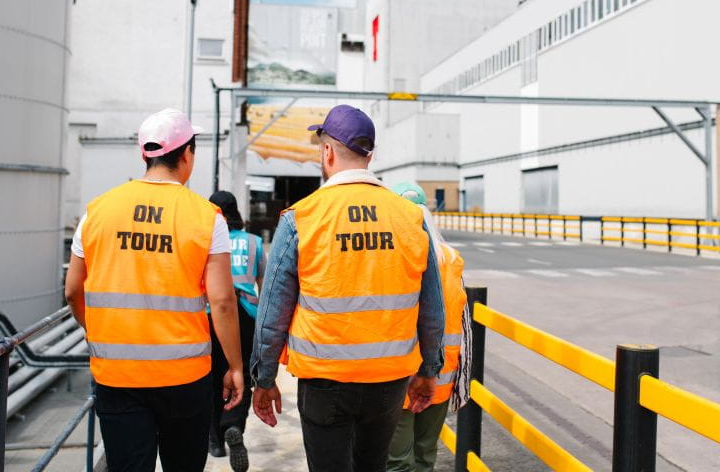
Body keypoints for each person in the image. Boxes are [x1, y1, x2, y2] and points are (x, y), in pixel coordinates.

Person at [250, 104, 446, 472]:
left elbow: (273, 310)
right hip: (388, 380)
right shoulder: (410, 217)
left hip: (325, 381)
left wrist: (263, 378)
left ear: (327, 152)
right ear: (370, 155)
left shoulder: (302, 218)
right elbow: (432, 308)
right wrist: (429, 370)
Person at [64, 108, 245, 472]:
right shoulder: (207, 216)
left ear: (144, 154)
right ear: (187, 155)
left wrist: (98, 331)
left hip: (118, 375)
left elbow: (72, 291)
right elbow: (223, 301)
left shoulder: (97, 212)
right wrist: (236, 366)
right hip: (184, 376)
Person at [385, 182, 470, 472]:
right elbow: (464, 326)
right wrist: (462, 382)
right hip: (441, 378)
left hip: (400, 376)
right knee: (424, 457)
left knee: (397, 461)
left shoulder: (394, 258)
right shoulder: (451, 259)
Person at [207, 190, 265, 472]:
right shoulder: (254, 243)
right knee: (240, 373)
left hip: (211, 316)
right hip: (247, 316)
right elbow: (266, 289)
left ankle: (215, 440)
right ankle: (234, 427)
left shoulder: (205, 240)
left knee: (213, 376)